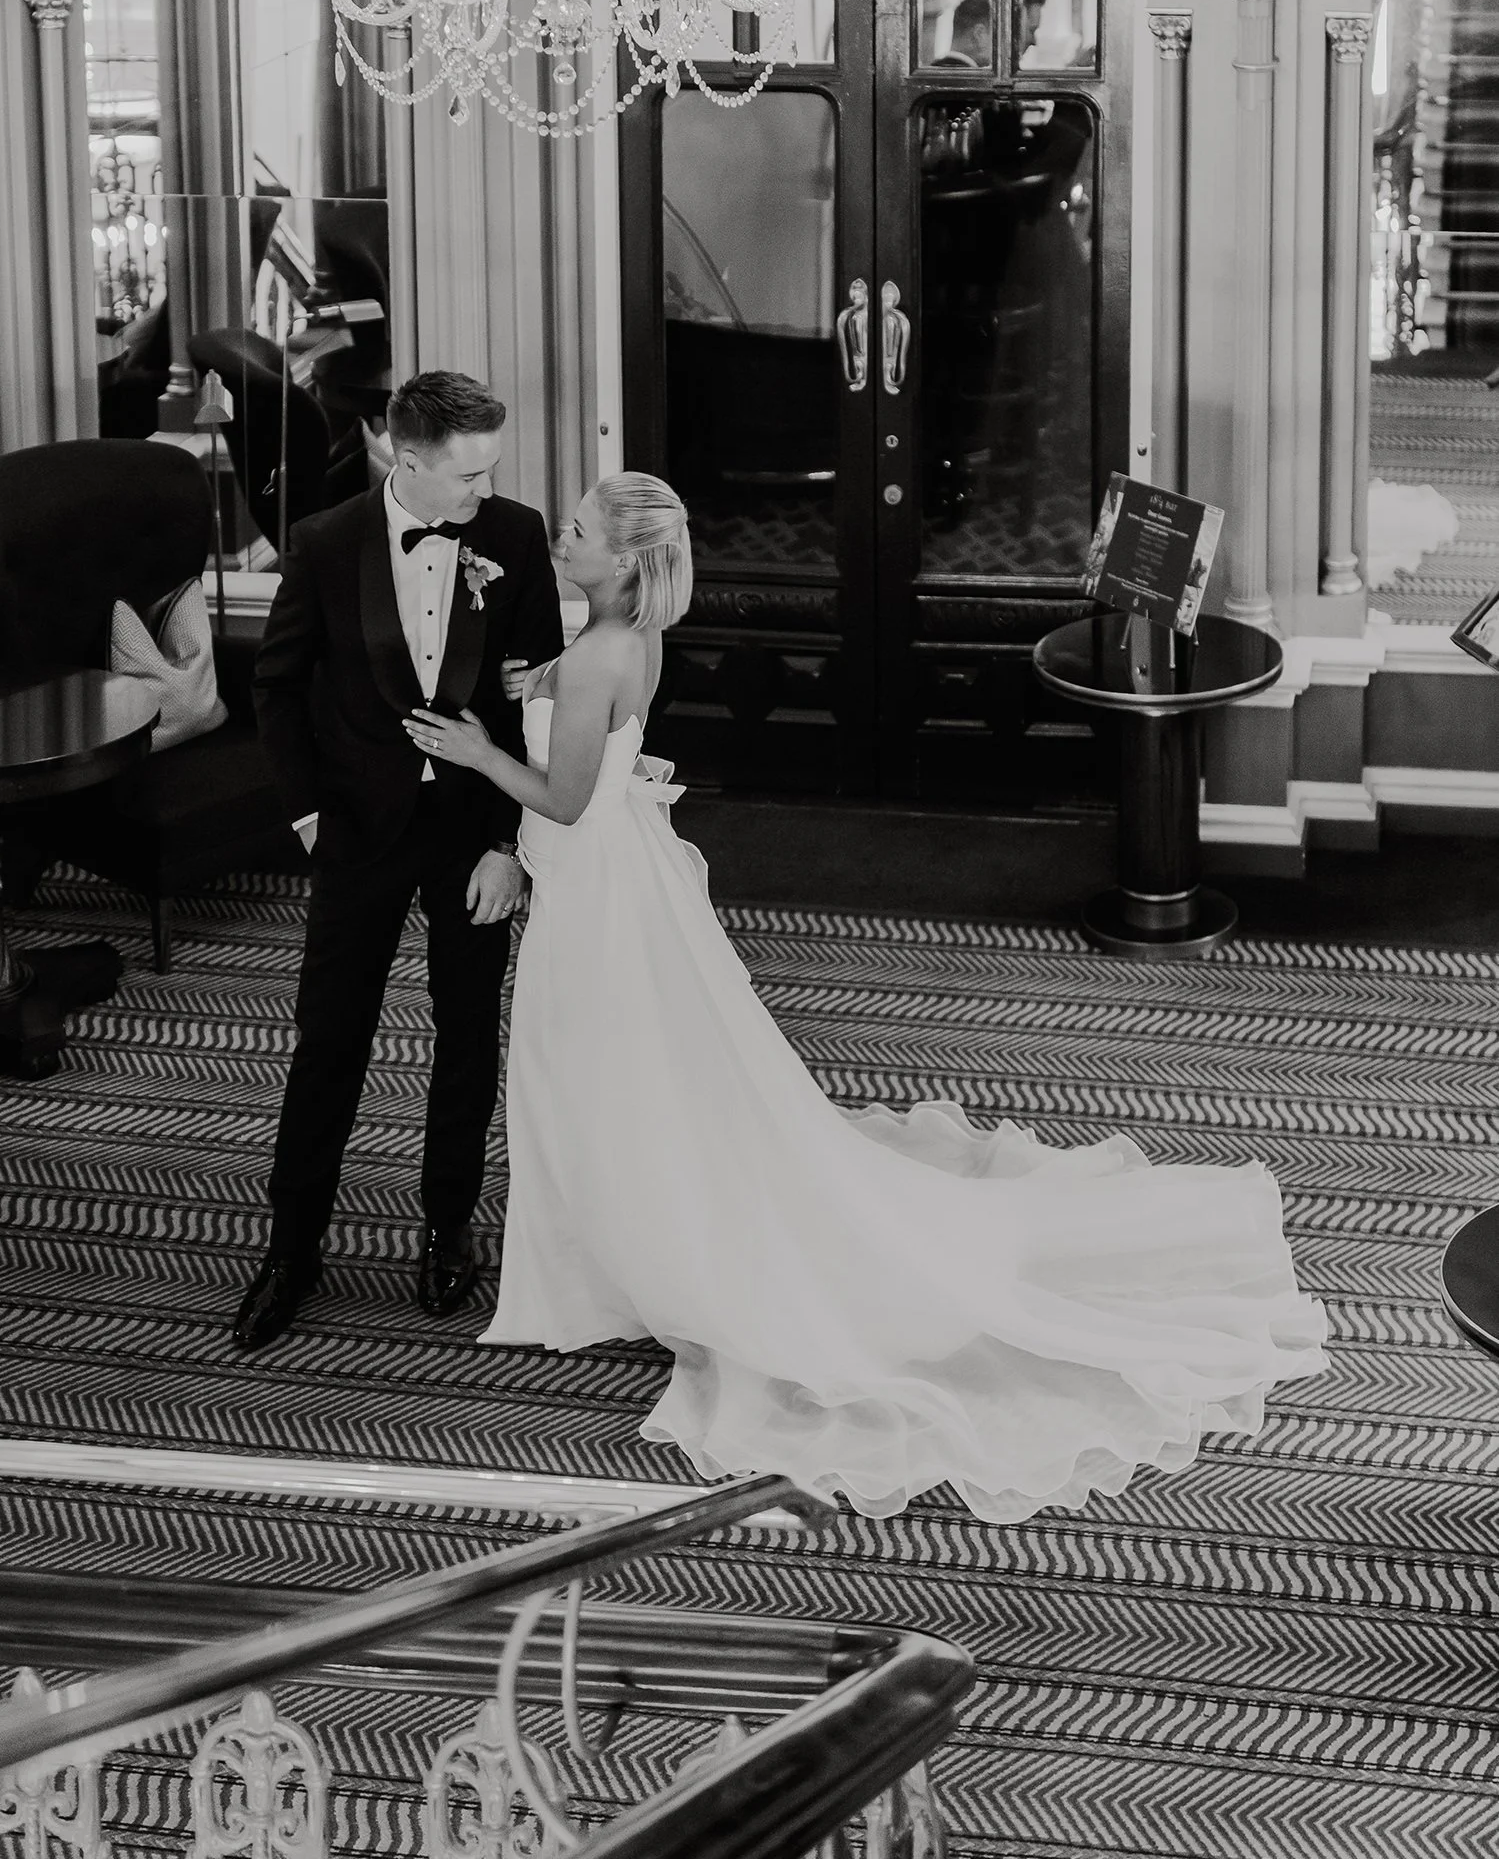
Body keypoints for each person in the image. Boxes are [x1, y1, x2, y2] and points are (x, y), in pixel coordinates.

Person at [405, 471, 1329, 1520]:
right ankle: (622, 1241)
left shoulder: (597, 657)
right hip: (623, 876)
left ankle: (629, 1253)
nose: (558, 538)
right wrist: (543, 683)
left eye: (576, 531)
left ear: (621, 560)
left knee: (596, 1072)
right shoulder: (630, 640)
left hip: (594, 888)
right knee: (645, 1067)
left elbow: (566, 799)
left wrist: (483, 750)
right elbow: (600, 726)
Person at [241, 369, 563, 1354]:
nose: (484, 492)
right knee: (329, 1039)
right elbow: (278, 686)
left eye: (492, 471)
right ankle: (292, 1249)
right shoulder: (326, 544)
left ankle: (446, 1224)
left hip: (473, 834)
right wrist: (305, 818)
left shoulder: (514, 536)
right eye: (467, 477)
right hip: (353, 831)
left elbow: (538, 699)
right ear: (407, 460)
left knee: (468, 1035)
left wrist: (513, 845)